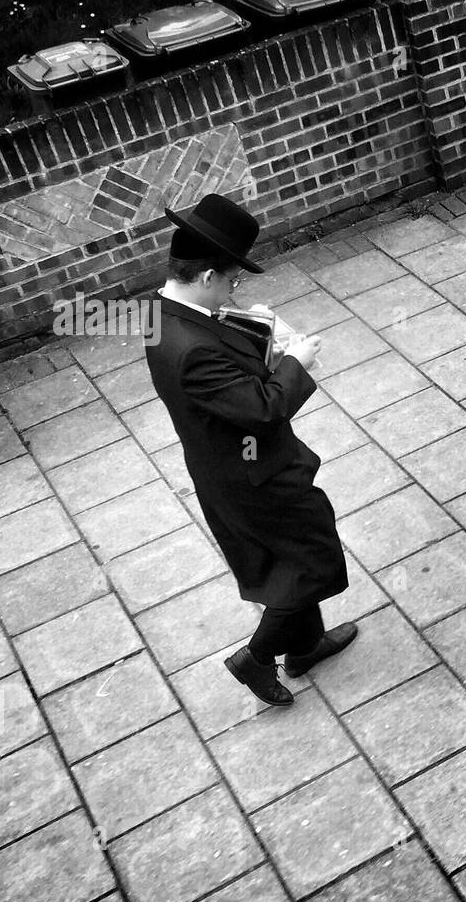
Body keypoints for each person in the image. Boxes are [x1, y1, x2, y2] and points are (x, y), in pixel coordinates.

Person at [145, 194, 356, 706]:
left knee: (291, 560)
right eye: (232, 280)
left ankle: (303, 649)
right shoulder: (191, 347)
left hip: (231, 466)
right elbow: (262, 409)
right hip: (253, 474)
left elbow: (220, 377)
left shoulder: (164, 313)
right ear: (207, 276)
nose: (234, 290)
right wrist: (297, 362)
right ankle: (255, 659)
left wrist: (255, 332)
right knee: (312, 564)